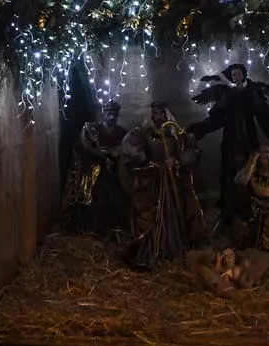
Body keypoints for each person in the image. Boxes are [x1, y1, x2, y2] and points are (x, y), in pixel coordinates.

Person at [188, 63, 269, 225]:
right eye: (234, 75)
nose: (236, 77)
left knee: (250, 167)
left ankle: (248, 206)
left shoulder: (251, 92)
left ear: (243, 75)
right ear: (231, 77)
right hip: (231, 136)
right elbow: (217, 118)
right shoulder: (227, 94)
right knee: (230, 169)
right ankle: (230, 206)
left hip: (248, 137)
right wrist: (198, 130)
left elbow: (263, 113)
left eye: (239, 74)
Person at [122, 101, 206, 270]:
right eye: (155, 113)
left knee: (177, 210)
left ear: (166, 114)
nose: (158, 116)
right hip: (155, 182)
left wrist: (177, 161)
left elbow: (190, 151)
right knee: (152, 214)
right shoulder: (145, 133)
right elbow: (133, 150)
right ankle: (154, 248)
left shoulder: (175, 133)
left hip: (173, 180)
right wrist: (153, 163)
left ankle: (178, 245)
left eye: (161, 113)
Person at [60, 99, 130, 234]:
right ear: (103, 112)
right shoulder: (93, 129)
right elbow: (85, 146)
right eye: (109, 112)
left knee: (118, 199)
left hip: (114, 172)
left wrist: (116, 152)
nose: (111, 116)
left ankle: (114, 228)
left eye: (114, 113)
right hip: (94, 173)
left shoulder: (121, 132)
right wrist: (101, 154)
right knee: (97, 199)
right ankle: (93, 229)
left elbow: (126, 147)